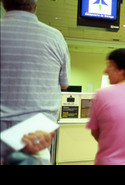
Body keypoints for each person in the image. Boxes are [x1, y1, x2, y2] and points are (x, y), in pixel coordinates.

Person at [0, 0, 71, 164]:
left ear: (4, 4)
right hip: (37, 134)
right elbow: (64, 84)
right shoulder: (54, 37)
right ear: (35, 7)